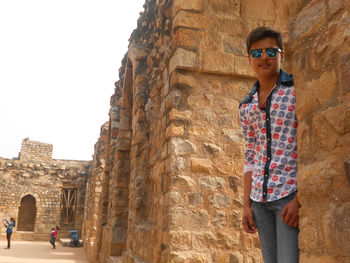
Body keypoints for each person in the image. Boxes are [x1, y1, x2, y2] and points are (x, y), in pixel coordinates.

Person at [239, 26, 300, 263]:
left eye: (270, 51)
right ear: (249, 59)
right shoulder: (247, 106)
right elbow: (250, 157)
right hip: (259, 201)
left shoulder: (295, 91)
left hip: (288, 195)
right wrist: (246, 205)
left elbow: (309, 144)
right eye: (257, 53)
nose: (264, 57)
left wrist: (299, 198)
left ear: (281, 55)